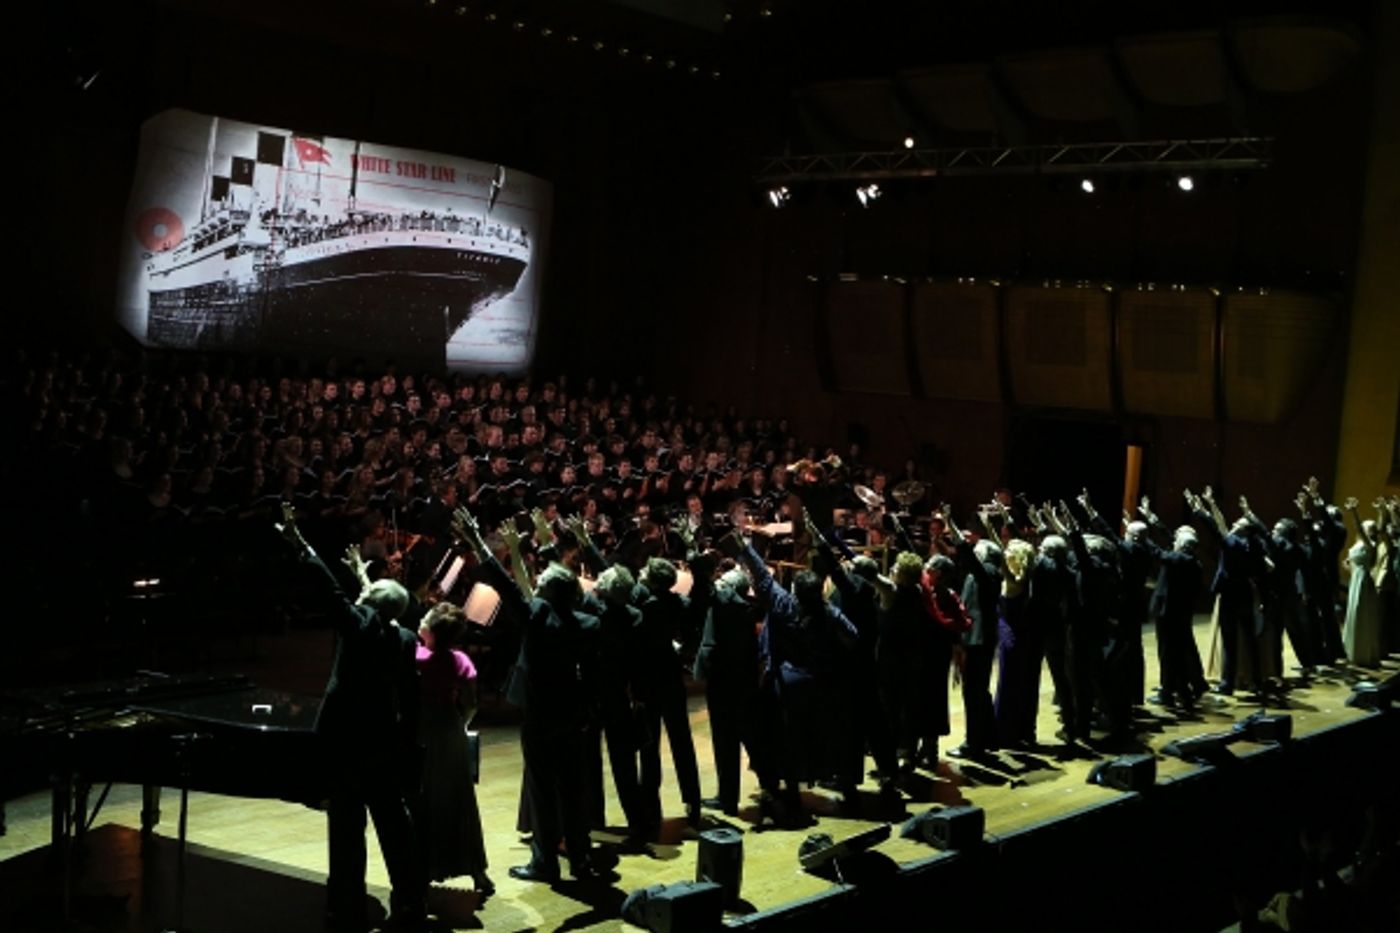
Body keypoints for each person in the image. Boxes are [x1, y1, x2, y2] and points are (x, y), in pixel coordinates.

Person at [275, 504, 425, 933]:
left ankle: (345, 907)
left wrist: (301, 544)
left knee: (346, 830)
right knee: (395, 830)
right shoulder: (404, 637)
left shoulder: (357, 627)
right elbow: (373, 602)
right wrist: (364, 575)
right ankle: (410, 904)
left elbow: (332, 592)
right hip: (385, 744)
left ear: (367, 606)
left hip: (346, 746)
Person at [453, 506, 602, 883]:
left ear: (546, 595)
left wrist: (479, 544)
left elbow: (505, 584)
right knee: (572, 789)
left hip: (539, 715)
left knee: (540, 789)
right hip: (573, 714)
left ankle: (544, 863)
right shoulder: (588, 623)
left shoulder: (536, 616)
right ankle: (581, 860)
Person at [413, 602, 491, 896]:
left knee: (425, 801)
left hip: (423, 729)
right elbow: (471, 703)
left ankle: (425, 869)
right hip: (450, 728)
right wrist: (461, 722)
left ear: (430, 631)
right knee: (460, 801)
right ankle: (478, 872)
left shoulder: (416, 656)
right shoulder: (459, 660)